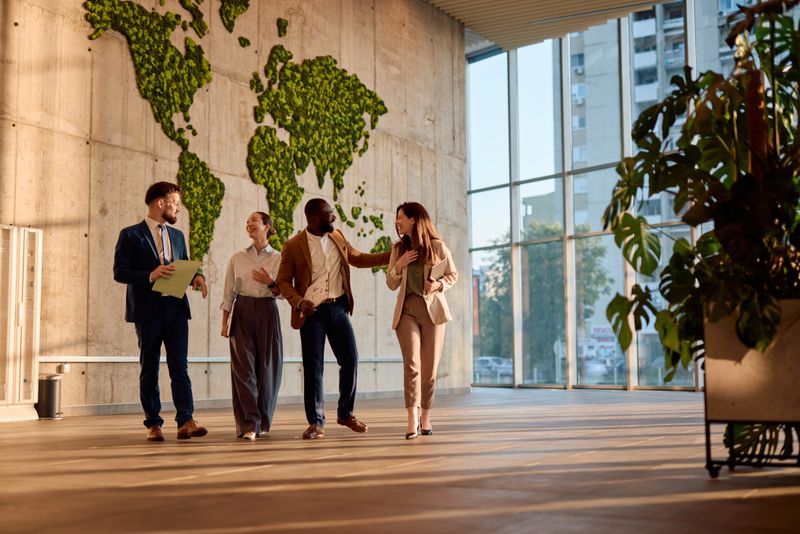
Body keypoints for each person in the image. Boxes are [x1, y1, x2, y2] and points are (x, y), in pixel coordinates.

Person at [276, 198, 390, 440]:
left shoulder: (337, 235)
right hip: (311, 313)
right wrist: (298, 302)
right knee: (313, 367)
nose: (334, 217)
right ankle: (316, 422)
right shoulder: (293, 245)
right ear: (314, 219)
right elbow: (283, 281)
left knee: (350, 359)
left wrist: (390, 256)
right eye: (329, 214)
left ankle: (345, 413)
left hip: (338, 308)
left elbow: (357, 258)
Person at [113, 181, 209, 442]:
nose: (178, 208)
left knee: (180, 367)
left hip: (176, 309)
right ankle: (153, 424)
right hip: (147, 311)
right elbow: (119, 272)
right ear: (160, 203)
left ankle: (186, 420)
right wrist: (150, 274)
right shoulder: (130, 234)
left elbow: (181, 265)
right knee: (150, 367)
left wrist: (196, 277)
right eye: (175, 203)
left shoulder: (177, 236)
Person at [386, 202, 458, 439]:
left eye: (401, 217)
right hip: (406, 311)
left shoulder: (437, 246)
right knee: (412, 366)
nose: (397, 221)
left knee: (429, 370)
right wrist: (399, 264)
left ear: (414, 219)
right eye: (397, 218)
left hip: (433, 312)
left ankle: (425, 418)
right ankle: (411, 420)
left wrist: (438, 284)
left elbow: (452, 274)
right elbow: (391, 283)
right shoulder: (398, 249)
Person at [220, 212, 284, 441]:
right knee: (243, 370)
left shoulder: (279, 258)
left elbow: (285, 293)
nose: (248, 224)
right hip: (242, 311)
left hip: (268, 311)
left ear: (266, 226)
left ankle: (262, 420)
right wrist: (224, 321)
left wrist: (271, 283)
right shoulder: (237, 258)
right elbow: (229, 291)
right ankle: (250, 423)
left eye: (253, 221)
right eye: (246, 221)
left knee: (267, 370)